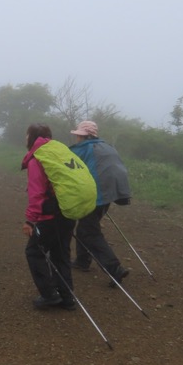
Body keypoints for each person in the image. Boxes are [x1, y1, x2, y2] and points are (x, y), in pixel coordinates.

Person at [68, 120, 132, 286]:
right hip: (111, 194)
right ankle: (82, 261)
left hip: (94, 195)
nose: (77, 138)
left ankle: (114, 268)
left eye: (78, 135)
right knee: (85, 227)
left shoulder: (82, 149)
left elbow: (67, 169)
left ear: (83, 136)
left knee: (90, 232)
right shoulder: (108, 147)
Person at [21, 123, 76, 310]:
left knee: (34, 252)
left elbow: (36, 193)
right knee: (61, 254)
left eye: (27, 135)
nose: (25, 138)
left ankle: (50, 294)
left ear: (33, 137)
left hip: (49, 217)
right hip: (68, 211)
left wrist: (30, 220)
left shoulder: (38, 159)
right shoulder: (59, 154)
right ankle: (67, 298)